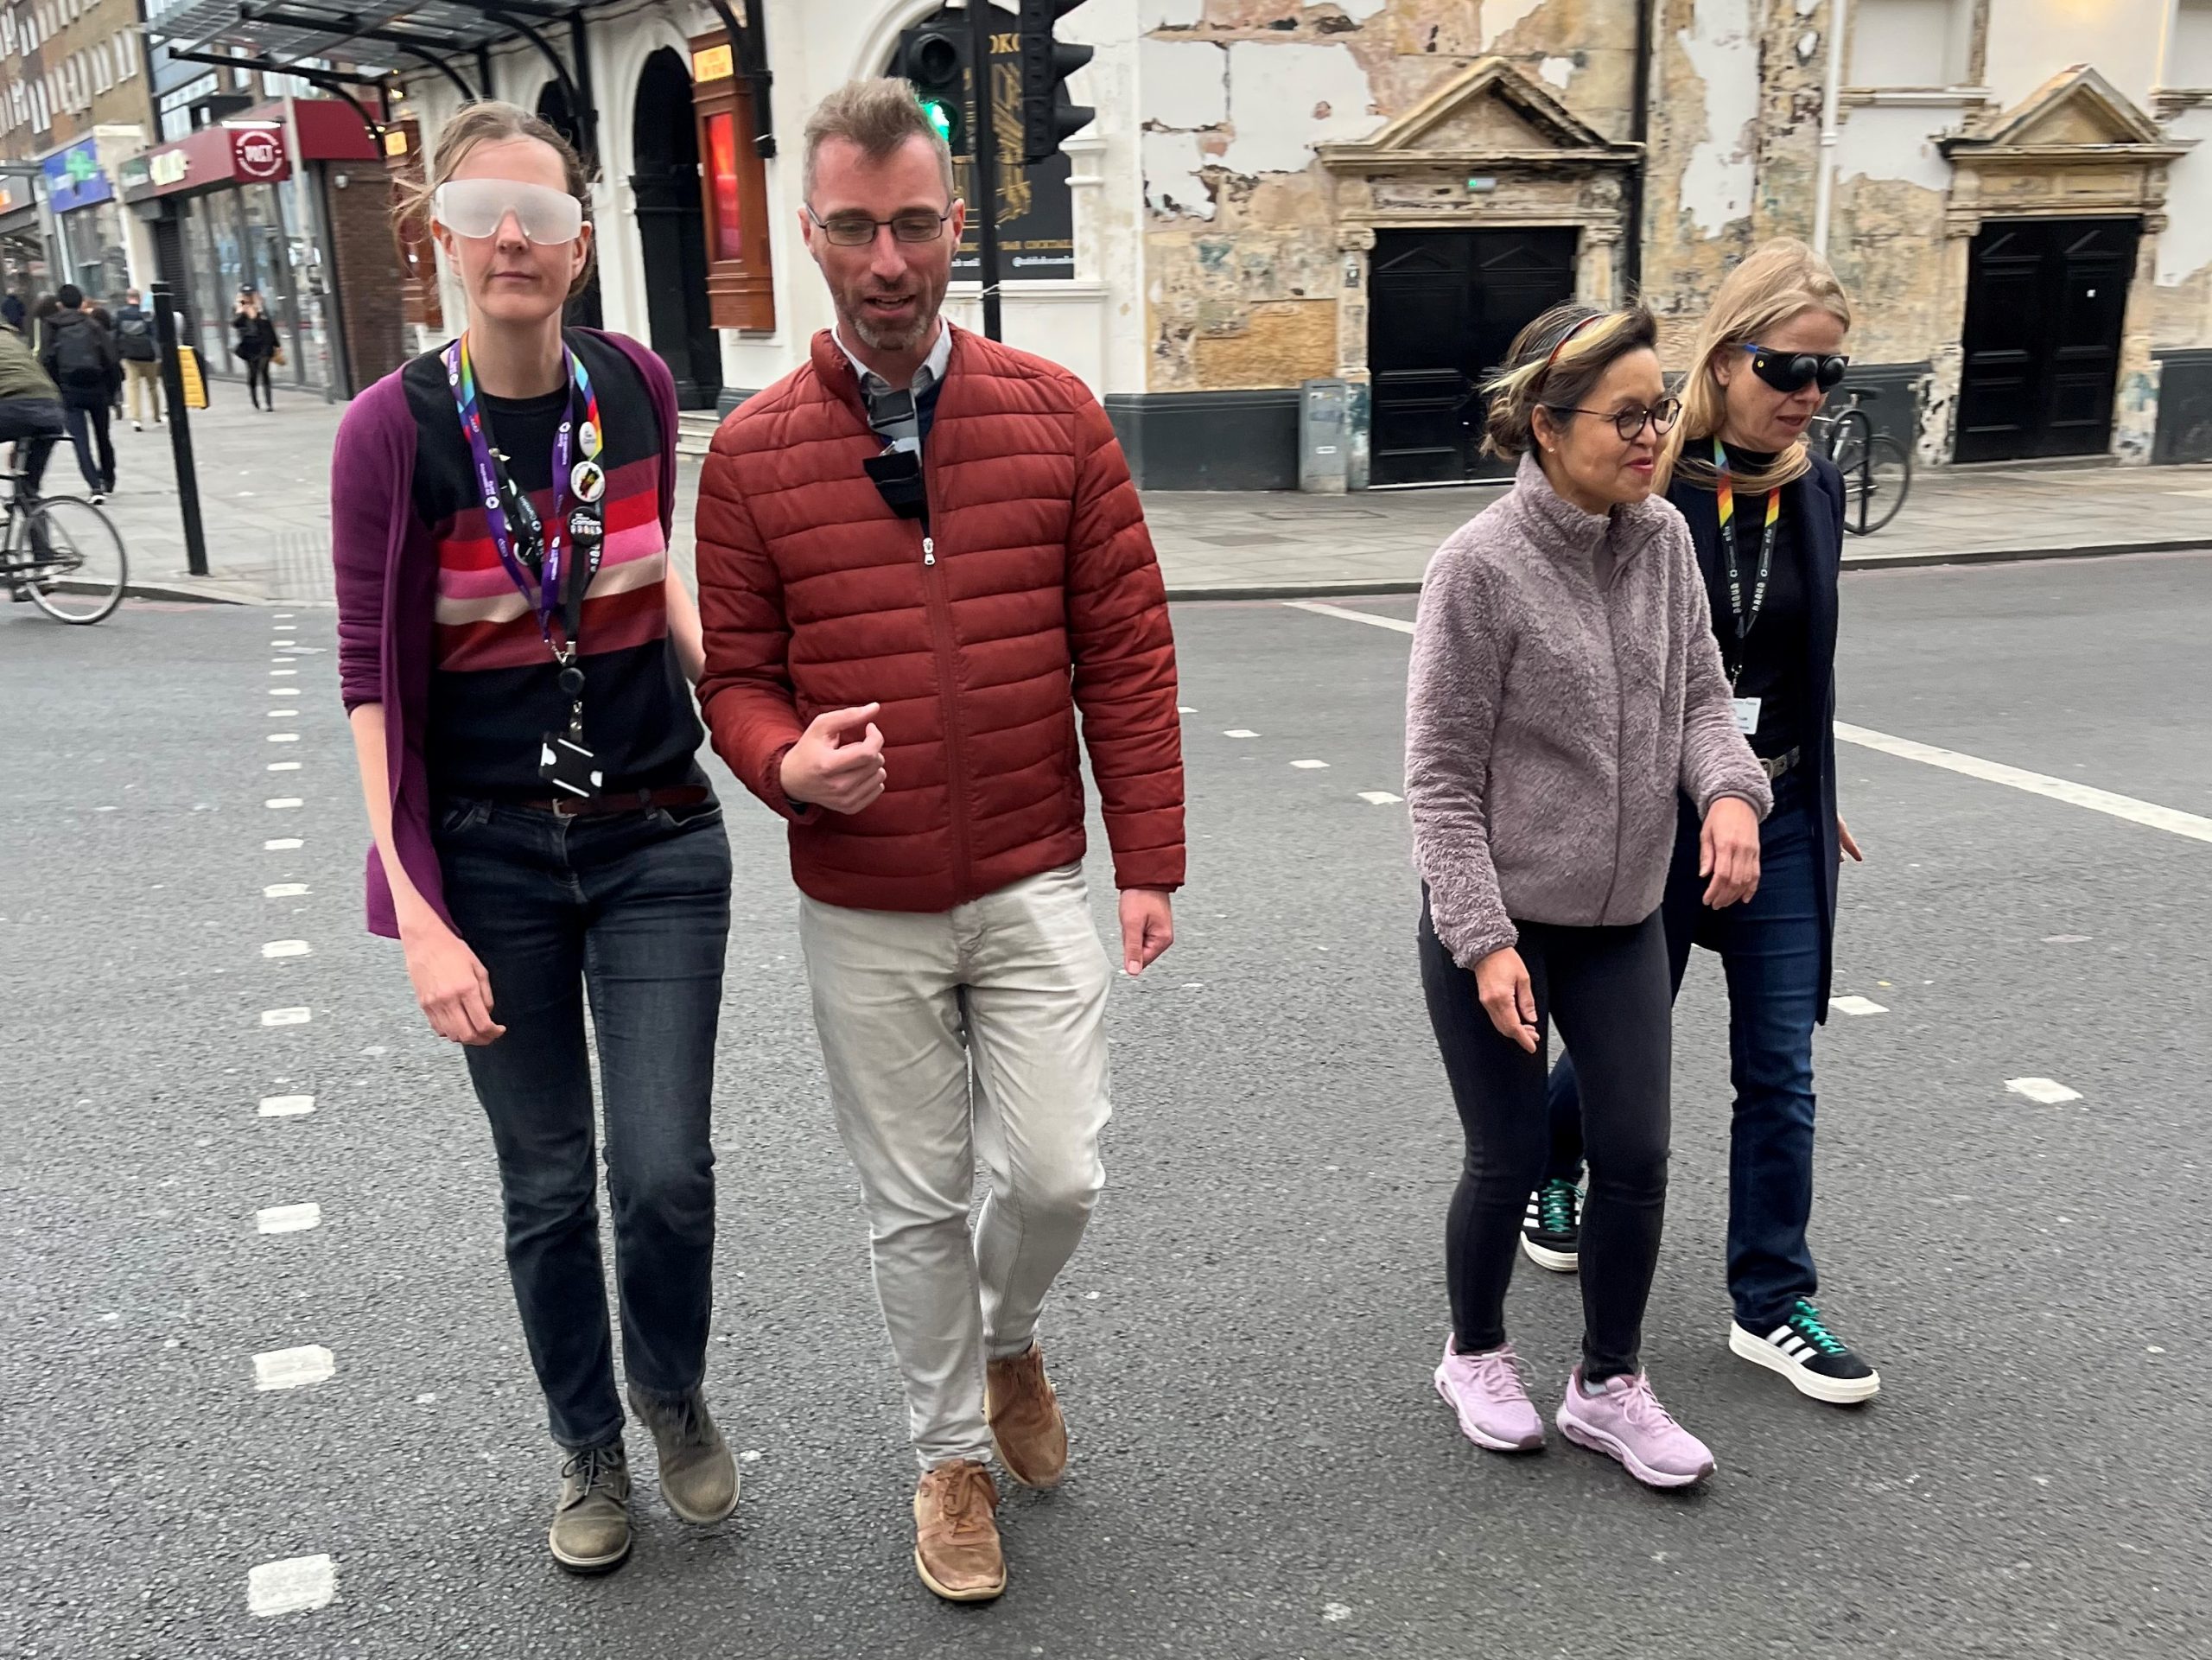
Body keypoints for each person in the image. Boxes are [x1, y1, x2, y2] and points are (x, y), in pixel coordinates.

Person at [693, 78, 1185, 1602]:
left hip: (1035, 868)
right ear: (812, 235)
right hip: (866, 899)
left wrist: (1150, 855)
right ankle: (948, 1456)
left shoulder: (1055, 416)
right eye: (855, 228)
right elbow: (736, 674)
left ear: (956, 228)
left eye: (914, 225)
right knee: (910, 1201)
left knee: (1055, 1176)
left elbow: (1126, 644)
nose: (888, 259)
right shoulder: (756, 451)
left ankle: (1012, 1335)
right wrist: (785, 763)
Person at [331, 101, 736, 1577]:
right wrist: (419, 916)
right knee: (551, 1182)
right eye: (485, 209)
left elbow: (648, 577)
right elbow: (373, 686)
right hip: (492, 854)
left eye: (546, 216)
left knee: (664, 1171)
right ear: (435, 232)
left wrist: (752, 714)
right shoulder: (392, 434)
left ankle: (672, 1391)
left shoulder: (633, 384)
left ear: (577, 247)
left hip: (653, 837)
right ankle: (588, 1444)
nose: (515, 237)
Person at [1408, 302, 1771, 1491]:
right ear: (1545, 427)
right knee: (1508, 1159)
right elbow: (1442, 781)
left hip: (1623, 920)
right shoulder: (1477, 568)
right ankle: (1475, 1353)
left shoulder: (1663, 539)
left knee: (1636, 1156)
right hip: (1499, 929)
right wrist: (1481, 939)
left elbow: (1703, 702)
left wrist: (1729, 795)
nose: (1653, 432)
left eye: (1660, 409)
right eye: (1628, 414)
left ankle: (1609, 1381)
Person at [1535, 241, 1880, 1406]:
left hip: (1771, 810)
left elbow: (1804, 662)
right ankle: (1552, 1151)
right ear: (1728, 356)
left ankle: (1773, 1301)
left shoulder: (1818, 487)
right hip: (1657, 817)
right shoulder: (1649, 482)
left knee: (1780, 1065)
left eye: (1831, 376)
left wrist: (1813, 795)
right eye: (1790, 366)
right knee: (1626, 1043)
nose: (1810, 395)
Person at [39, 284, 117, 500]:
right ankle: (108, 478)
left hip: (69, 390)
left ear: (59, 304)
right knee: (103, 436)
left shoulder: (51, 326)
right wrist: (113, 391)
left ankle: (94, 486)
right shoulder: (93, 324)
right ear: (82, 301)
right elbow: (110, 358)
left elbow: (46, 360)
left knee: (80, 440)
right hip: (97, 387)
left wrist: (55, 389)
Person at [0, 304, 67, 512]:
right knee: (29, 490)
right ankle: (41, 544)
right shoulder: (13, 340)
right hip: (52, 411)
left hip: (15, 408)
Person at [113, 288, 162, 429]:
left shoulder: (120, 314)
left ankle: (136, 419)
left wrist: (118, 353)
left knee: (133, 386)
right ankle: (156, 416)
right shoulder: (146, 315)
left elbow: (115, 334)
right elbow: (155, 335)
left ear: (127, 298)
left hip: (129, 356)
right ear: (139, 299)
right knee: (152, 386)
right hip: (148, 355)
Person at [233, 287, 279, 410]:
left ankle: (269, 403)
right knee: (253, 373)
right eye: (246, 295)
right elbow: (236, 324)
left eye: (250, 295)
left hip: (264, 345)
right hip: (249, 346)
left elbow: (269, 327)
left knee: (264, 371)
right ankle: (255, 401)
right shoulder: (241, 310)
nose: (248, 298)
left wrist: (276, 345)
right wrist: (242, 309)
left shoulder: (261, 309)